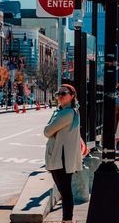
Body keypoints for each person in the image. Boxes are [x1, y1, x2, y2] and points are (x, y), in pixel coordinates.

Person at [44, 84, 82, 223]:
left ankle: (67, 220)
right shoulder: (66, 111)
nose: (59, 96)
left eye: (63, 93)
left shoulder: (67, 113)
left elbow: (47, 131)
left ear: (72, 96)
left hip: (62, 158)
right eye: (58, 93)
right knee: (64, 191)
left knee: (65, 192)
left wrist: (50, 128)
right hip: (62, 158)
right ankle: (67, 219)